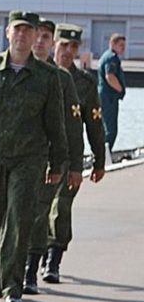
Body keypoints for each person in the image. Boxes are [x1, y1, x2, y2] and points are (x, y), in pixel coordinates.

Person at [0, 12, 68, 302]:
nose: (22, 36)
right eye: (18, 30)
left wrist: (58, 162)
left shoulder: (47, 76)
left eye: (29, 32)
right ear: (7, 33)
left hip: (29, 159)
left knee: (19, 219)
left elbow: (56, 121)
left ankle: (12, 286)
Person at [45, 23, 108, 282]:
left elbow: (94, 123)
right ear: (54, 45)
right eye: (63, 45)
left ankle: (53, 259)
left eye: (73, 47)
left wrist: (99, 161)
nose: (68, 51)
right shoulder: (40, 74)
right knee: (36, 210)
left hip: (71, 158)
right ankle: (30, 261)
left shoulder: (85, 83)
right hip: (40, 156)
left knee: (61, 208)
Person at [23, 15, 79, 295]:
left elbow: (73, 125)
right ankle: (7, 272)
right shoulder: (13, 70)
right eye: (38, 36)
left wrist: (74, 165)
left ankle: (33, 269)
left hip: (50, 160)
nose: (40, 42)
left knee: (44, 213)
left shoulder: (63, 79)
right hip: (18, 157)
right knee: (12, 216)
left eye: (46, 37)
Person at [97, 34, 127, 159]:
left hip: (105, 96)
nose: (123, 48)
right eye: (121, 45)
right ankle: (105, 155)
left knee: (105, 126)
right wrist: (120, 89)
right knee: (111, 129)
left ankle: (103, 153)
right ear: (113, 44)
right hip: (109, 97)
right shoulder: (111, 58)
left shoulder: (107, 56)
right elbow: (110, 76)